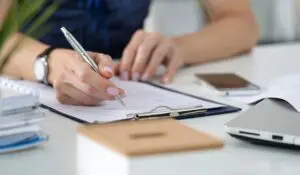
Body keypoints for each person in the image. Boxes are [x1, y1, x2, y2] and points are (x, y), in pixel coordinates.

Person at [1, 0, 258, 106]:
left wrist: (176, 48)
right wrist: (47, 63)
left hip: (129, 91)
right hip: (30, 99)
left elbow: (241, 23)